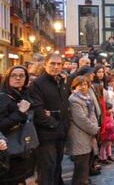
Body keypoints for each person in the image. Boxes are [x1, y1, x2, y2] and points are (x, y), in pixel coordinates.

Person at [29, 53, 70, 185]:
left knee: (57, 167)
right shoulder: (37, 84)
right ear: (45, 64)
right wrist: (56, 125)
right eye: (52, 63)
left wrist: (64, 126)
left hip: (60, 133)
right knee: (47, 170)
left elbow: (64, 106)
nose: (56, 66)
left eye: (59, 64)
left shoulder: (62, 82)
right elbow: (38, 111)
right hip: (46, 136)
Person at [0, 66, 35, 184]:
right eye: (14, 75)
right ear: (7, 78)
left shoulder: (24, 94)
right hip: (8, 150)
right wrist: (20, 112)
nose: (18, 78)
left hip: (23, 148)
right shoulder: (3, 97)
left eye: (22, 75)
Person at [67, 76, 100, 185]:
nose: (83, 87)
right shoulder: (74, 100)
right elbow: (81, 119)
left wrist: (95, 127)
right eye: (80, 85)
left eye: (85, 84)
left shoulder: (87, 97)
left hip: (88, 134)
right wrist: (95, 129)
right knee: (81, 164)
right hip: (79, 135)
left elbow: (92, 115)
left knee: (86, 162)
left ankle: (84, 180)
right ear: (74, 86)